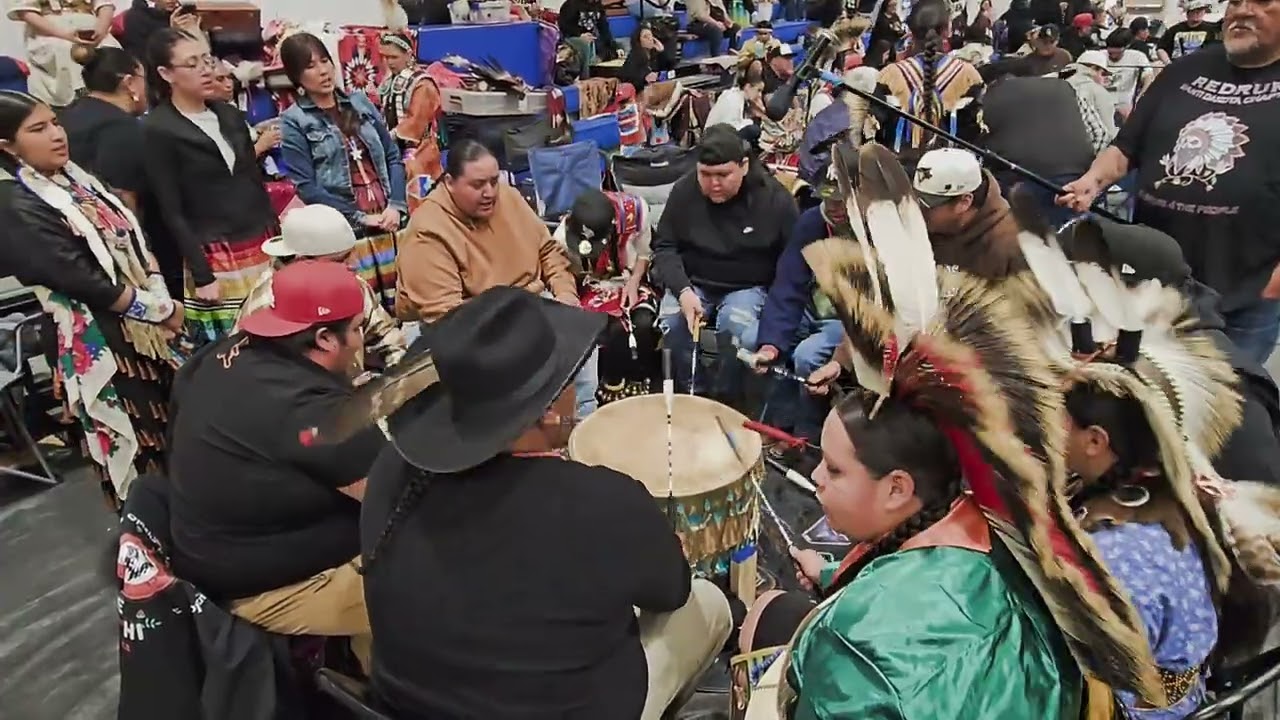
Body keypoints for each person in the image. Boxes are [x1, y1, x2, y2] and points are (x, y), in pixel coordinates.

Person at [739, 147, 1168, 715]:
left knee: (765, 627)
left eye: (835, 468)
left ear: (898, 488)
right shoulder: (994, 537)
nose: (814, 477)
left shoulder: (858, 644)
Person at [360, 286, 733, 720]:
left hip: (409, 704)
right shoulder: (601, 503)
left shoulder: (391, 466)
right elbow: (671, 590)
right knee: (707, 602)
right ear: (549, 407)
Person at [168, 261, 383, 671]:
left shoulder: (224, 352)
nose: (360, 341)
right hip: (264, 586)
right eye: (357, 329)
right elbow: (391, 496)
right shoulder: (310, 408)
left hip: (213, 546)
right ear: (323, 338)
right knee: (443, 585)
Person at [1058, 0, 1280, 364]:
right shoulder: (1184, 71)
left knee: (1228, 406)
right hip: (1153, 282)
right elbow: (1127, 146)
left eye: (1260, 1)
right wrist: (1092, 181)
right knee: (1153, 392)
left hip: (1245, 294)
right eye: (1236, 2)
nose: (1243, 11)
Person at [0, 90, 181, 508]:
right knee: (136, 443)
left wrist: (156, 287)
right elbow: (79, 279)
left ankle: (189, 522)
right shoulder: (16, 203)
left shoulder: (74, 179)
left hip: (144, 326)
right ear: (7, 145)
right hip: (102, 338)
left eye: (55, 123)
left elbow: (130, 233)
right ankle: (150, 537)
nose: (56, 135)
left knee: (174, 430)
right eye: (38, 129)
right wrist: (159, 309)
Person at [394, 141, 593, 414]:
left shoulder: (507, 197)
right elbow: (448, 319)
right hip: (477, 326)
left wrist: (566, 295)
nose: (489, 193)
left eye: (493, 181)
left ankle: (580, 420)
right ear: (449, 182)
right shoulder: (427, 232)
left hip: (530, 303)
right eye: (477, 185)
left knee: (580, 342)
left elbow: (547, 250)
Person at [142, 29, 278, 344]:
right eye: (192, 63)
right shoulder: (159, 129)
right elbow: (171, 208)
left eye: (207, 59)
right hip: (216, 251)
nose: (206, 69)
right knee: (237, 342)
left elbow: (251, 180)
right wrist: (202, 274)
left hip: (260, 238)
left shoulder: (229, 116)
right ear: (166, 73)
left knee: (279, 327)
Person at [651, 124, 798, 395]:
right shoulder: (685, 192)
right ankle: (694, 391)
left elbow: (792, 264)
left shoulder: (774, 199)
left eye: (722, 175)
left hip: (748, 285)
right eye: (705, 175)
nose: (714, 184)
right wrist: (682, 290)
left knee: (736, 326)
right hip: (694, 280)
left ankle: (727, 394)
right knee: (673, 323)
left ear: (743, 166)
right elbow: (664, 246)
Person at [279, 32, 407, 315]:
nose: (323, 70)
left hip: (391, 221)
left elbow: (392, 155)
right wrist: (360, 217)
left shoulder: (360, 102)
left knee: (406, 301)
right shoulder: (294, 121)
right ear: (296, 76)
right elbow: (307, 187)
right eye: (311, 66)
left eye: (325, 61)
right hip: (348, 229)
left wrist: (396, 205)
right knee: (364, 308)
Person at [234, 204, 407, 369]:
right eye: (341, 259)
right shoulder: (265, 304)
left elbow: (385, 336)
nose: (354, 264)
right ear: (302, 261)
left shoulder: (349, 283)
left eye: (353, 253)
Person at [749, 162, 847, 444]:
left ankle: (808, 433)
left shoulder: (876, 232)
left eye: (841, 202)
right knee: (756, 340)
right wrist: (771, 344)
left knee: (807, 356)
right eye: (828, 199)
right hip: (810, 307)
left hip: (848, 321)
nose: (833, 207)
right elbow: (788, 284)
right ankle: (779, 422)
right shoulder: (813, 222)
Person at [553, 188, 659, 403]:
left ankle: (639, 380)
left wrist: (633, 282)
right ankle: (608, 385)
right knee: (607, 328)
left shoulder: (636, 213)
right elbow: (564, 277)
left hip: (631, 278)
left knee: (642, 322)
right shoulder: (561, 239)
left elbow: (645, 253)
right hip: (589, 285)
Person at [978, 59, 1096, 226]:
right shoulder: (1063, 87)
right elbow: (1099, 134)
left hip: (1018, 180)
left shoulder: (989, 96)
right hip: (1076, 178)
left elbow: (977, 149)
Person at [874, 0, 984, 155]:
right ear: (947, 30)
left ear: (911, 32)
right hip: (952, 169)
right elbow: (974, 133)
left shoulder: (890, 75)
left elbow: (874, 131)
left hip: (897, 168)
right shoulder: (968, 75)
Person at [913, 147, 1028, 278]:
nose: (918, 210)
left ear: (964, 202)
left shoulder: (1013, 248)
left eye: (927, 206)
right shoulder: (925, 229)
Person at [59, 47, 148, 211]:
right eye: (144, 79)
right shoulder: (122, 128)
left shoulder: (67, 114)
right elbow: (124, 197)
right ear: (130, 83)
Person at [8, 0, 118, 108]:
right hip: (50, 31)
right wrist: (65, 35)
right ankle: (82, 99)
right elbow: (25, 12)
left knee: (111, 50)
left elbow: (105, 5)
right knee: (66, 50)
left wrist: (101, 31)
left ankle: (117, 97)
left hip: (90, 26)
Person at [376, 31, 443, 184]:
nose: (389, 62)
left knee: (410, 170)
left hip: (420, 147)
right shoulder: (388, 81)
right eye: (385, 57)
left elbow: (416, 121)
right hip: (393, 144)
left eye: (394, 57)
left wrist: (389, 136)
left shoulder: (423, 84)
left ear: (408, 54)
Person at [1061, 48, 1118, 153]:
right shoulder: (1099, 92)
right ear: (1094, 69)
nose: (1105, 79)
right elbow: (1108, 133)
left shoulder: (1058, 84)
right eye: (1103, 74)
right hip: (1087, 153)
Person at [557, 0, 618, 79]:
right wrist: (579, 35)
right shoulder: (570, 5)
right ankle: (585, 76)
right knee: (584, 44)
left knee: (619, 45)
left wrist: (614, 46)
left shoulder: (598, 6)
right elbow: (564, 26)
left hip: (593, 39)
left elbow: (604, 29)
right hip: (574, 39)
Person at [1104, 28, 1154, 118]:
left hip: (1125, 103)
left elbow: (1148, 77)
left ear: (1127, 46)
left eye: (1117, 53)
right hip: (1102, 101)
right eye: (1110, 53)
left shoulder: (1137, 56)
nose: (1113, 56)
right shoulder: (1098, 56)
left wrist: (1140, 98)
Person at [706, 61, 766, 132]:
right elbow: (730, 128)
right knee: (753, 130)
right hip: (715, 138)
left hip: (722, 136)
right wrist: (751, 121)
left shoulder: (742, 98)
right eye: (758, 90)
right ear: (748, 86)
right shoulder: (733, 99)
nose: (759, 95)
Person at [619, 22, 677, 95]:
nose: (649, 39)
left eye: (650, 35)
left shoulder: (655, 55)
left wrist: (662, 51)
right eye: (645, 37)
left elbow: (670, 68)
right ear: (638, 41)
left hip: (657, 90)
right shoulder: (634, 56)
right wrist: (645, 78)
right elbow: (627, 78)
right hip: (641, 93)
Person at [1158, 0, 1222, 63]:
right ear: (1188, 12)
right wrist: (1168, 63)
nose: (1198, 13)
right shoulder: (1174, 30)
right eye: (1194, 11)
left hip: (1202, 67)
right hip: (1178, 67)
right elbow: (1161, 48)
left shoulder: (1211, 29)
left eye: (1201, 10)